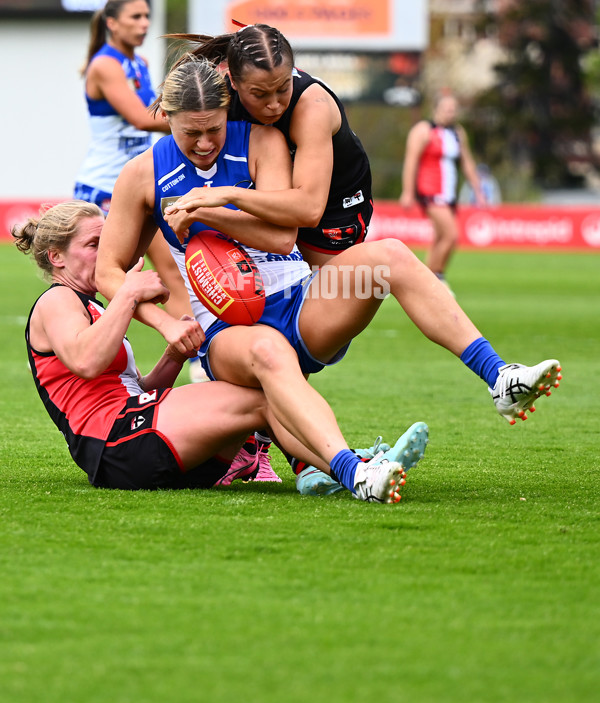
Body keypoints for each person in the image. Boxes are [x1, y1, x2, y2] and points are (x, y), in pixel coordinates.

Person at [95, 55, 562, 494]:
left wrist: (212, 207)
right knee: (269, 351)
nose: (203, 143)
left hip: (302, 300)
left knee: (392, 257)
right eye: (189, 133)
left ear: (226, 110)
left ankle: (499, 376)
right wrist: (164, 323)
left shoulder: (261, 140)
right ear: (165, 117)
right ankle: (355, 472)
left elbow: (281, 238)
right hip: (227, 331)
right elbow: (108, 272)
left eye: (213, 129)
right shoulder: (142, 174)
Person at [12, 200, 408, 503]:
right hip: (116, 447)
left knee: (267, 391)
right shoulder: (57, 301)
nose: (105, 253)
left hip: (139, 439)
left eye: (107, 242)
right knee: (264, 399)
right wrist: (129, 293)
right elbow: (86, 361)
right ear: (56, 257)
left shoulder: (94, 306)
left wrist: (173, 356)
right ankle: (353, 469)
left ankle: (334, 467)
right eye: (92, 244)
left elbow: (135, 389)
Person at [167, 23, 373, 269]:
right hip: (268, 194)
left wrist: (225, 194)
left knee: (323, 297)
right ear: (232, 80)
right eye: (259, 94)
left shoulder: (312, 107)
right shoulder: (221, 95)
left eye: (282, 88)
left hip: (333, 208)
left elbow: (309, 210)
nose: (274, 104)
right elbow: (181, 122)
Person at [72, 0, 195, 344]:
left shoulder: (138, 64)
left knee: (172, 268)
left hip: (143, 185)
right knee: (96, 279)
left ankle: (199, 348)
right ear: (112, 23)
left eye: (146, 16)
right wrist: (201, 118)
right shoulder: (104, 64)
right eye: (135, 17)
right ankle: (84, 347)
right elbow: (142, 118)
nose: (144, 24)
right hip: (103, 188)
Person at [400, 93, 486, 288]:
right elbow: (411, 161)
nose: (451, 113)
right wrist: (408, 191)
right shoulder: (423, 131)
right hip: (430, 191)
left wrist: (478, 190)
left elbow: (467, 162)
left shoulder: (457, 132)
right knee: (451, 235)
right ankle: (436, 279)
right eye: (447, 108)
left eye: (454, 109)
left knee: (439, 238)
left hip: (449, 195)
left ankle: (423, 282)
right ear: (436, 108)